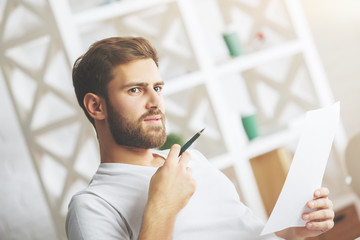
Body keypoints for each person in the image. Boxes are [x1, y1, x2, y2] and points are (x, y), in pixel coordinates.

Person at [66, 36, 334, 240]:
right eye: (135, 90)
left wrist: (289, 231)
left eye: (158, 88)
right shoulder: (92, 206)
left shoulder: (195, 162)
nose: (155, 102)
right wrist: (162, 207)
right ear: (96, 107)